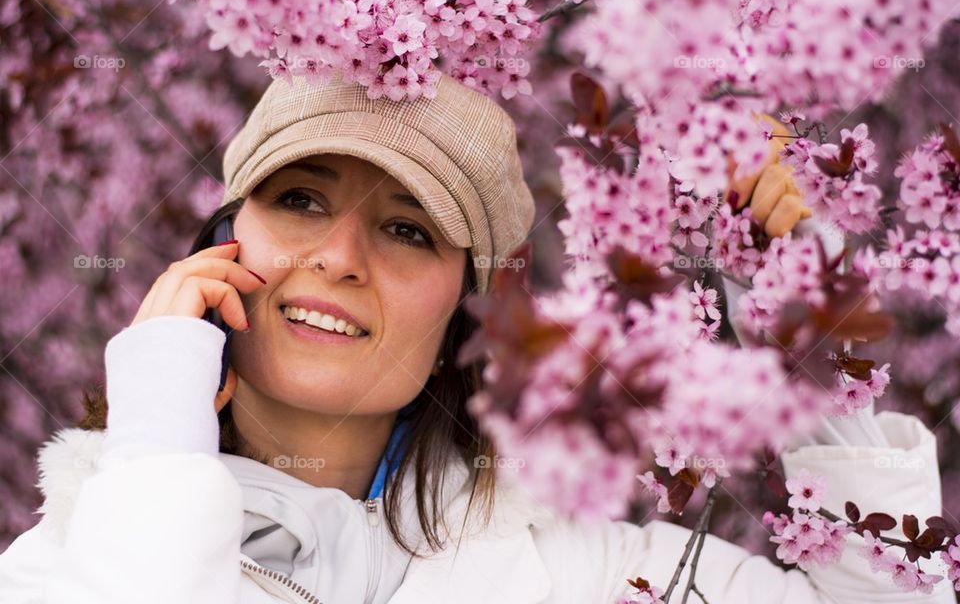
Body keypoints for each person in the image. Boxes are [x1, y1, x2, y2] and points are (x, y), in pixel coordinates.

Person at [0, 70, 950, 603]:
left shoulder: (589, 576)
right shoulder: (62, 563)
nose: (337, 257)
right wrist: (158, 441)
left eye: (408, 229)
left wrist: (809, 324)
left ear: (468, 312)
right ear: (218, 250)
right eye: (298, 201)